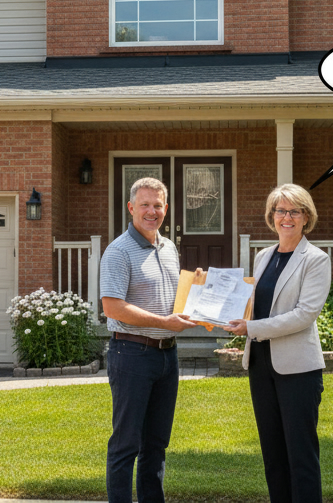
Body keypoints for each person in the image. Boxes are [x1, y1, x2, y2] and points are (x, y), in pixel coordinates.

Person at [224, 183, 331, 503]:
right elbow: (253, 304)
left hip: (297, 369)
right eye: (280, 211)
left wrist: (252, 327)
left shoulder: (316, 259)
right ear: (272, 216)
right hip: (260, 365)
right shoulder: (263, 256)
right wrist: (207, 294)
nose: (287, 217)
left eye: (294, 211)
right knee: (272, 454)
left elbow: (304, 315)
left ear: (306, 216)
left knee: (301, 456)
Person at [99, 177, 199, 503]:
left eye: (157, 205)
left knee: (156, 444)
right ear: (131, 208)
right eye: (145, 205)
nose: (151, 211)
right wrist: (164, 322)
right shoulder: (118, 251)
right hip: (131, 354)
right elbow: (112, 307)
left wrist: (199, 290)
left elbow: (173, 299)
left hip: (167, 356)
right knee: (126, 443)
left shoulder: (169, 248)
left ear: (166, 208)